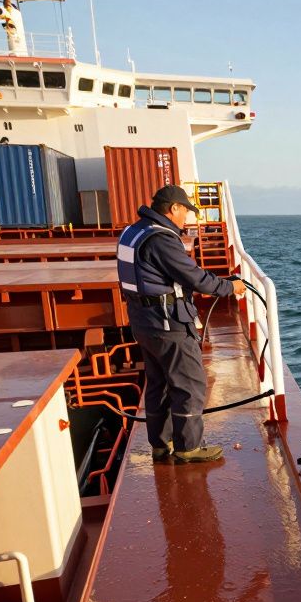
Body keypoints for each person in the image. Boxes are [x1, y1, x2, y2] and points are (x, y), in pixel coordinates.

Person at [117, 185, 244, 462]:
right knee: (189, 383)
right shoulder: (161, 239)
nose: (187, 218)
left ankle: (161, 445)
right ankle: (189, 448)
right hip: (167, 323)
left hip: (142, 322)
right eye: (186, 211)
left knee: (159, 384)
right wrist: (230, 287)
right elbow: (194, 278)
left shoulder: (132, 232)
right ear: (173, 208)